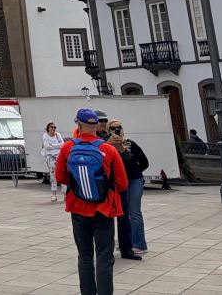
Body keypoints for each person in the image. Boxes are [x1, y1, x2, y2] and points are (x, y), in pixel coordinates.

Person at [56, 108, 130, 295]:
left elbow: (60, 177)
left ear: (78, 125)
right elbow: (122, 183)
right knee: (104, 257)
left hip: (77, 208)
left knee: (84, 255)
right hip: (103, 209)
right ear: (96, 125)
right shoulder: (108, 149)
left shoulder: (67, 147)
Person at [109, 120, 150, 254]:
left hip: (134, 181)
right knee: (123, 213)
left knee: (134, 211)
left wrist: (135, 171)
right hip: (119, 183)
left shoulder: (130, 144)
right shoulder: (108, 146)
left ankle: (140, 244)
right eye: (113, 128)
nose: (116, 130)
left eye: (119, 127)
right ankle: (127, 242)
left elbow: (144, 162)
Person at [42, 122, 65, 203]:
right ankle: (54, 195)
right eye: (51, 127)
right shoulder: (45, 135)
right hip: (50, 157)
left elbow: (63, 144)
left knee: (62, 174)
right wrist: (57, 146)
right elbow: (46, 147)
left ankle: (65, 194)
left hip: (59, 156)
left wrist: (52, 145)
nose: (53, 129)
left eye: (54, 127)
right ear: (48, 128)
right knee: (53, 175)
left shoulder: (58, 135)